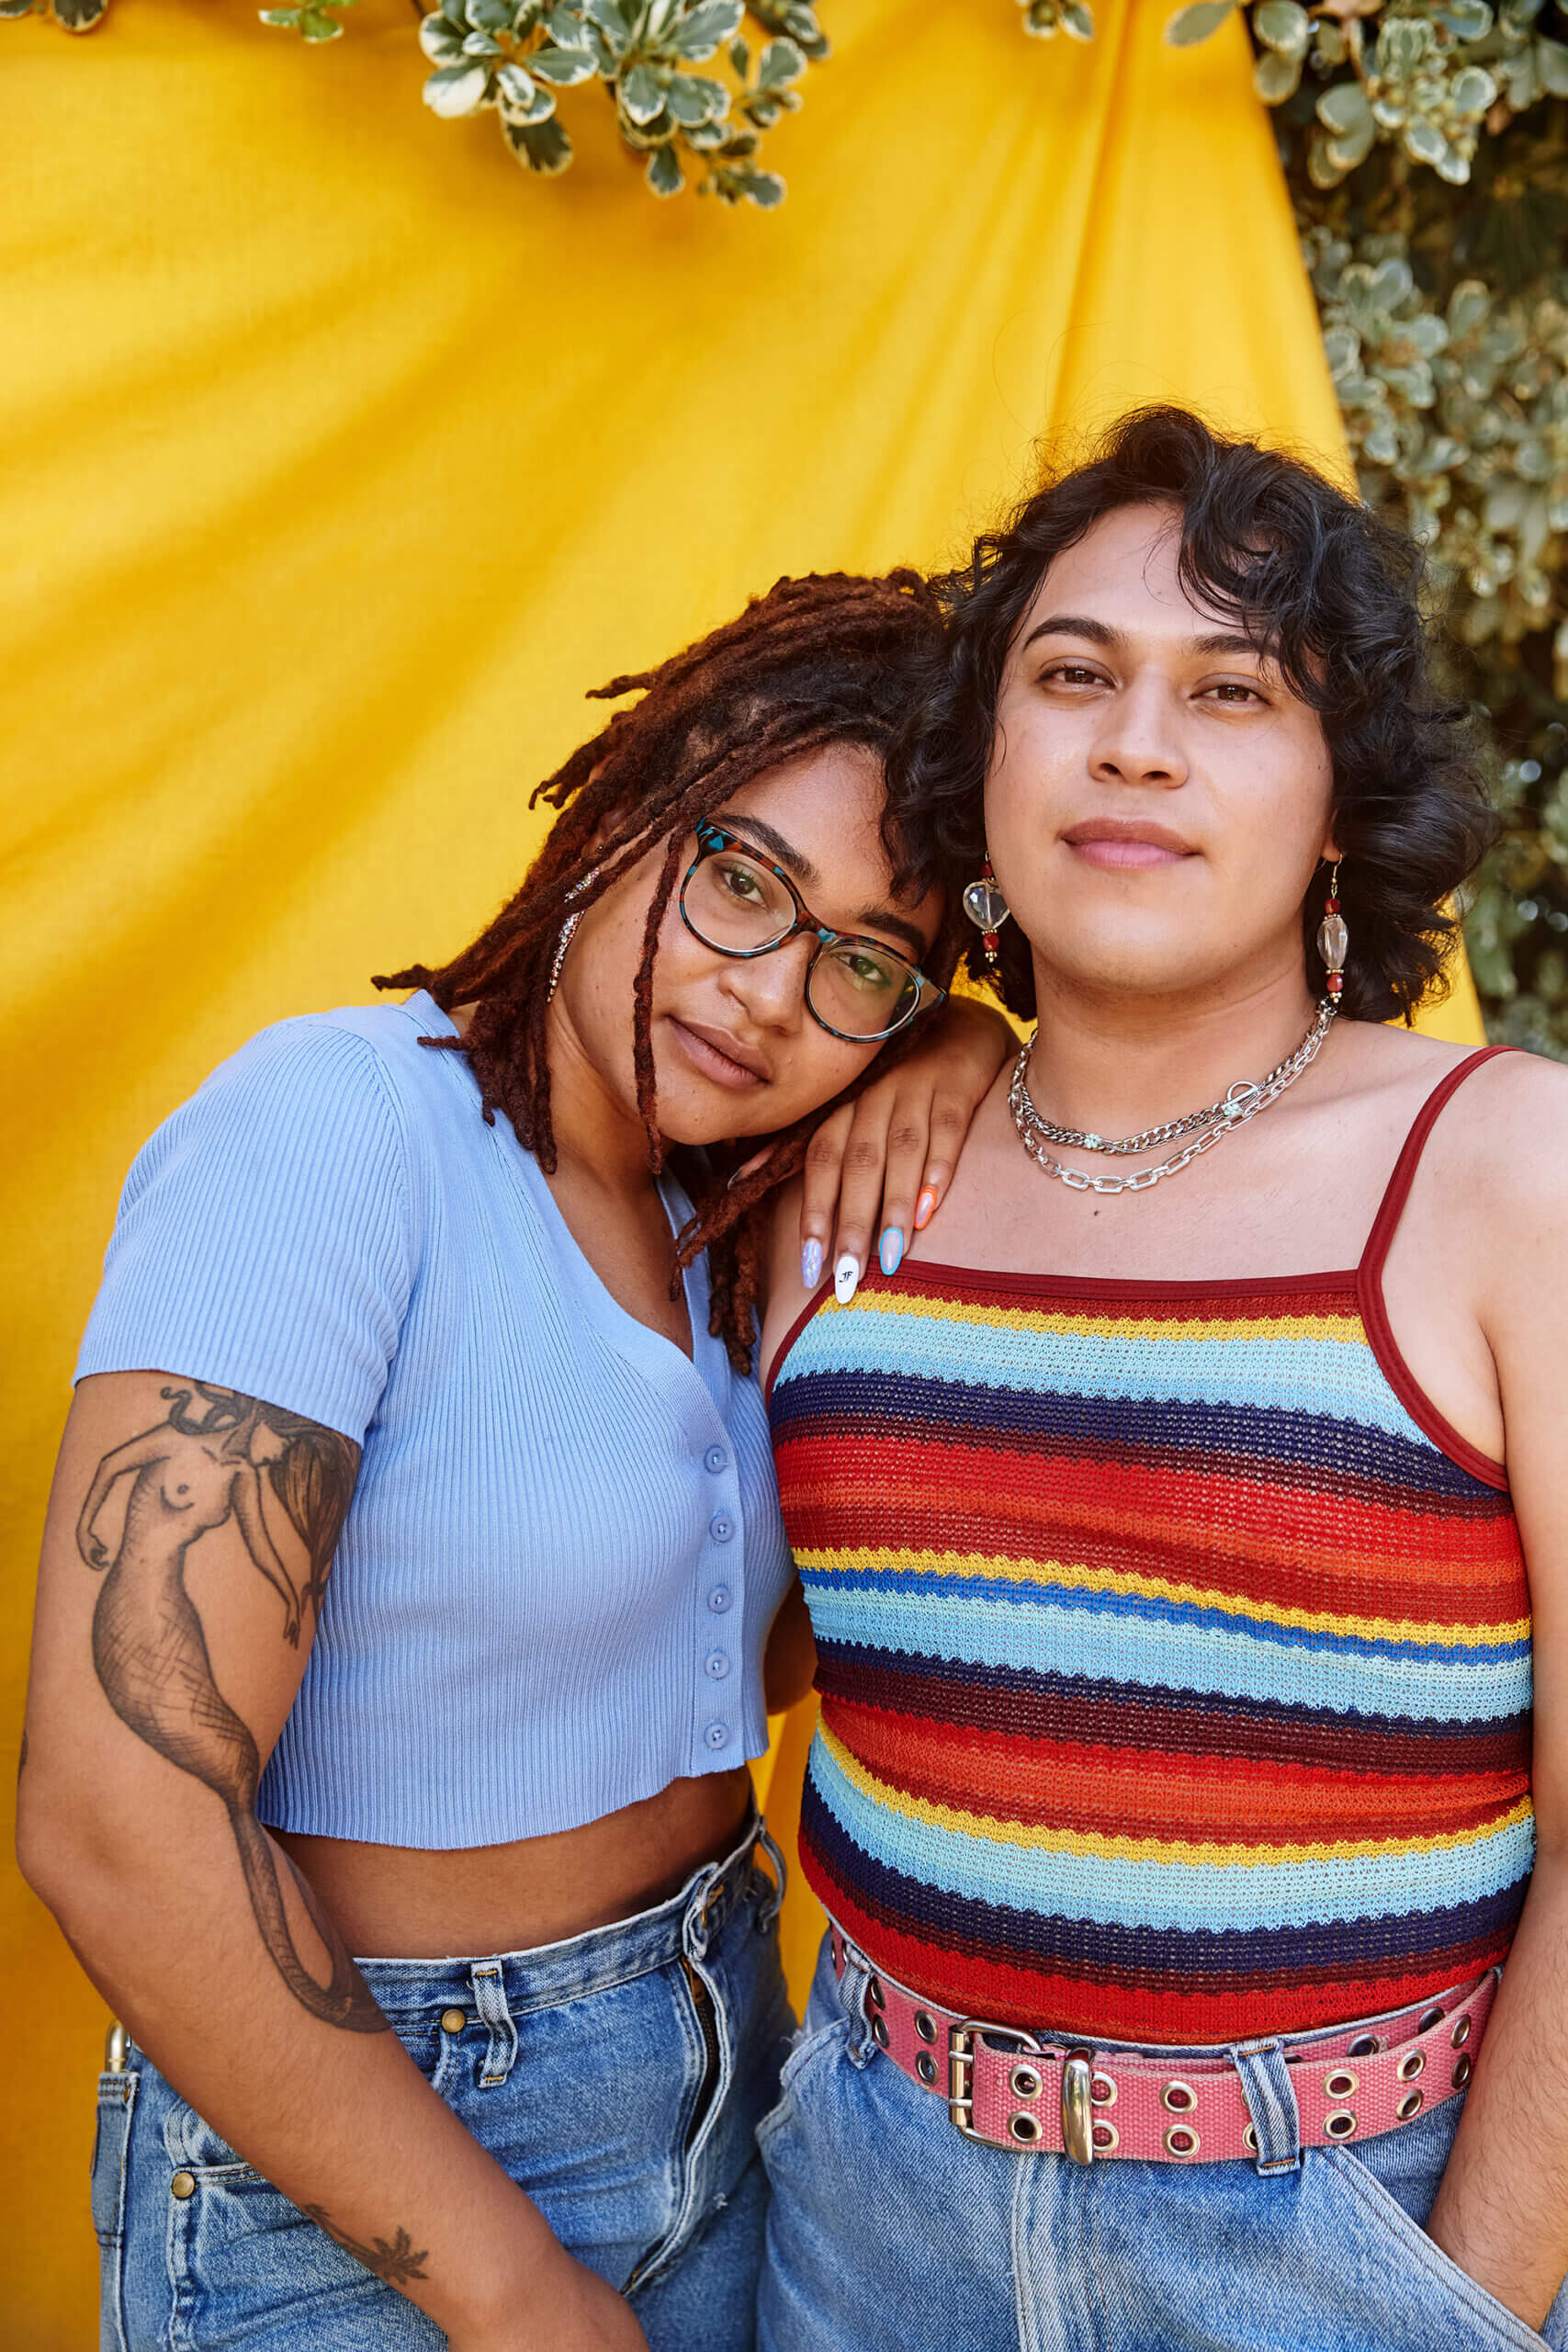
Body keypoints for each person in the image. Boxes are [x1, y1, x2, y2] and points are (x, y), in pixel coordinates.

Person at [17, 570, 1009, 2352]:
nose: (769, 989)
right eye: (737, 877)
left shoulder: (745, 1214)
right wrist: (506, 2284)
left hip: (729, 2057)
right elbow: (114, 1814)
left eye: (862, 957)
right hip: (372, 2140)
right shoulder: (338, 1131)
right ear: (623, 805)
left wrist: (964, 1037)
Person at [758, 413, 1568, 2351]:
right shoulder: (841, 1156)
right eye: (1071, 675)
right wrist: (932, 1043)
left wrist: (1460, 2298)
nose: (1134, 741)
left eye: (1231, 690)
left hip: (1336, 2231)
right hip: (866, 2211)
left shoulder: (1502, 1166)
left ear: (1336, 800)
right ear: (987, 759)